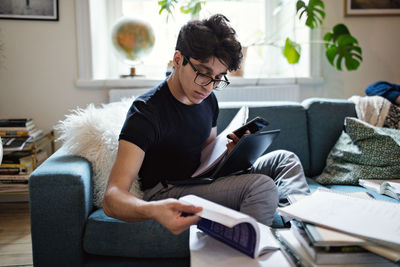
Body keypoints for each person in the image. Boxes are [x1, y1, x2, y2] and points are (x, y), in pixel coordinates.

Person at [103, 14, 309, 235]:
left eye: (218, 78)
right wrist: (153, 209)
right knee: (261, 187)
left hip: (199, 180)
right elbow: (112, 197)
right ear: (178, 59)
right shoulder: (145, 113)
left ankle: (308, 231)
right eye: (203, 73)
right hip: (165, 191)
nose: (209, 87)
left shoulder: (207, 99)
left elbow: (206, 156)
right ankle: (248, 252)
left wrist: (230, 155)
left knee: (286, 159)